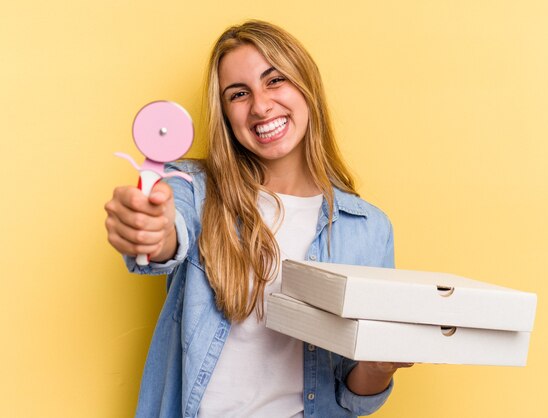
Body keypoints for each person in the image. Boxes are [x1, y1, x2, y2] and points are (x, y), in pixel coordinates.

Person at [105, 20, 412, 418]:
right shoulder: (192, 189)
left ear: (307, 87)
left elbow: (356, 395)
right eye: (238, 94)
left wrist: (379, 366)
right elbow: (168, 233)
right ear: (226, 115)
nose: (261, 106)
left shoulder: (368, 228)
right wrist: (150, 231)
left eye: (275, 80)